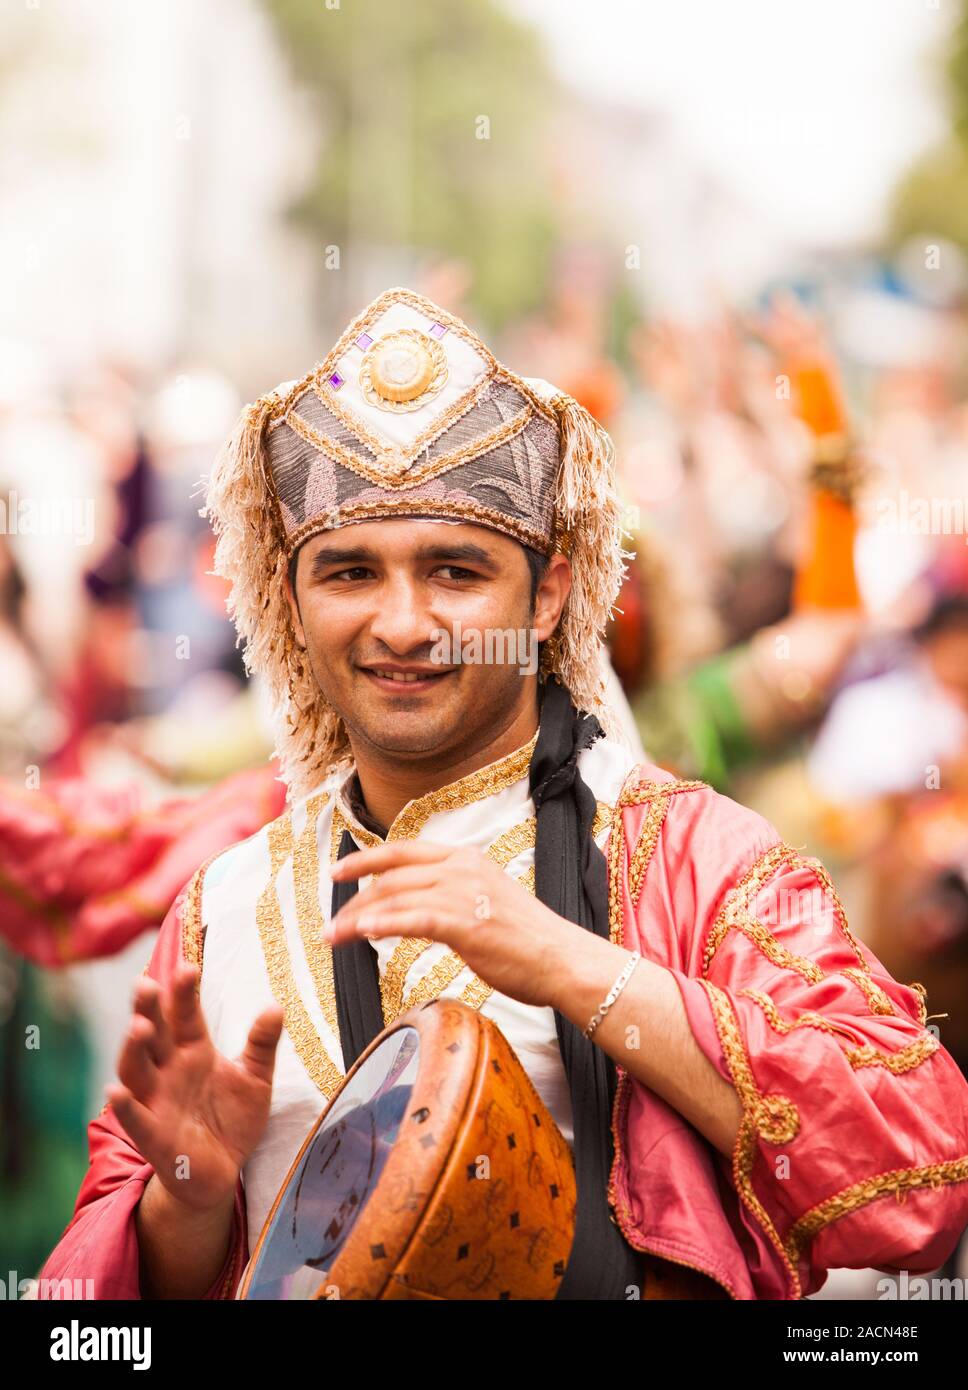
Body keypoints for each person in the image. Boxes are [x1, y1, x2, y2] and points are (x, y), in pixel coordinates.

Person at [39, 286, 968, 1301]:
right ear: (288, 600)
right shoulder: (223, 910)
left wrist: (570, 965)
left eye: (453, 570)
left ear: (550, 592)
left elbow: (918, 1169)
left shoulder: (696, 863)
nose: (401, 622)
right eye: (348, 572)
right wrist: (186, 1202)